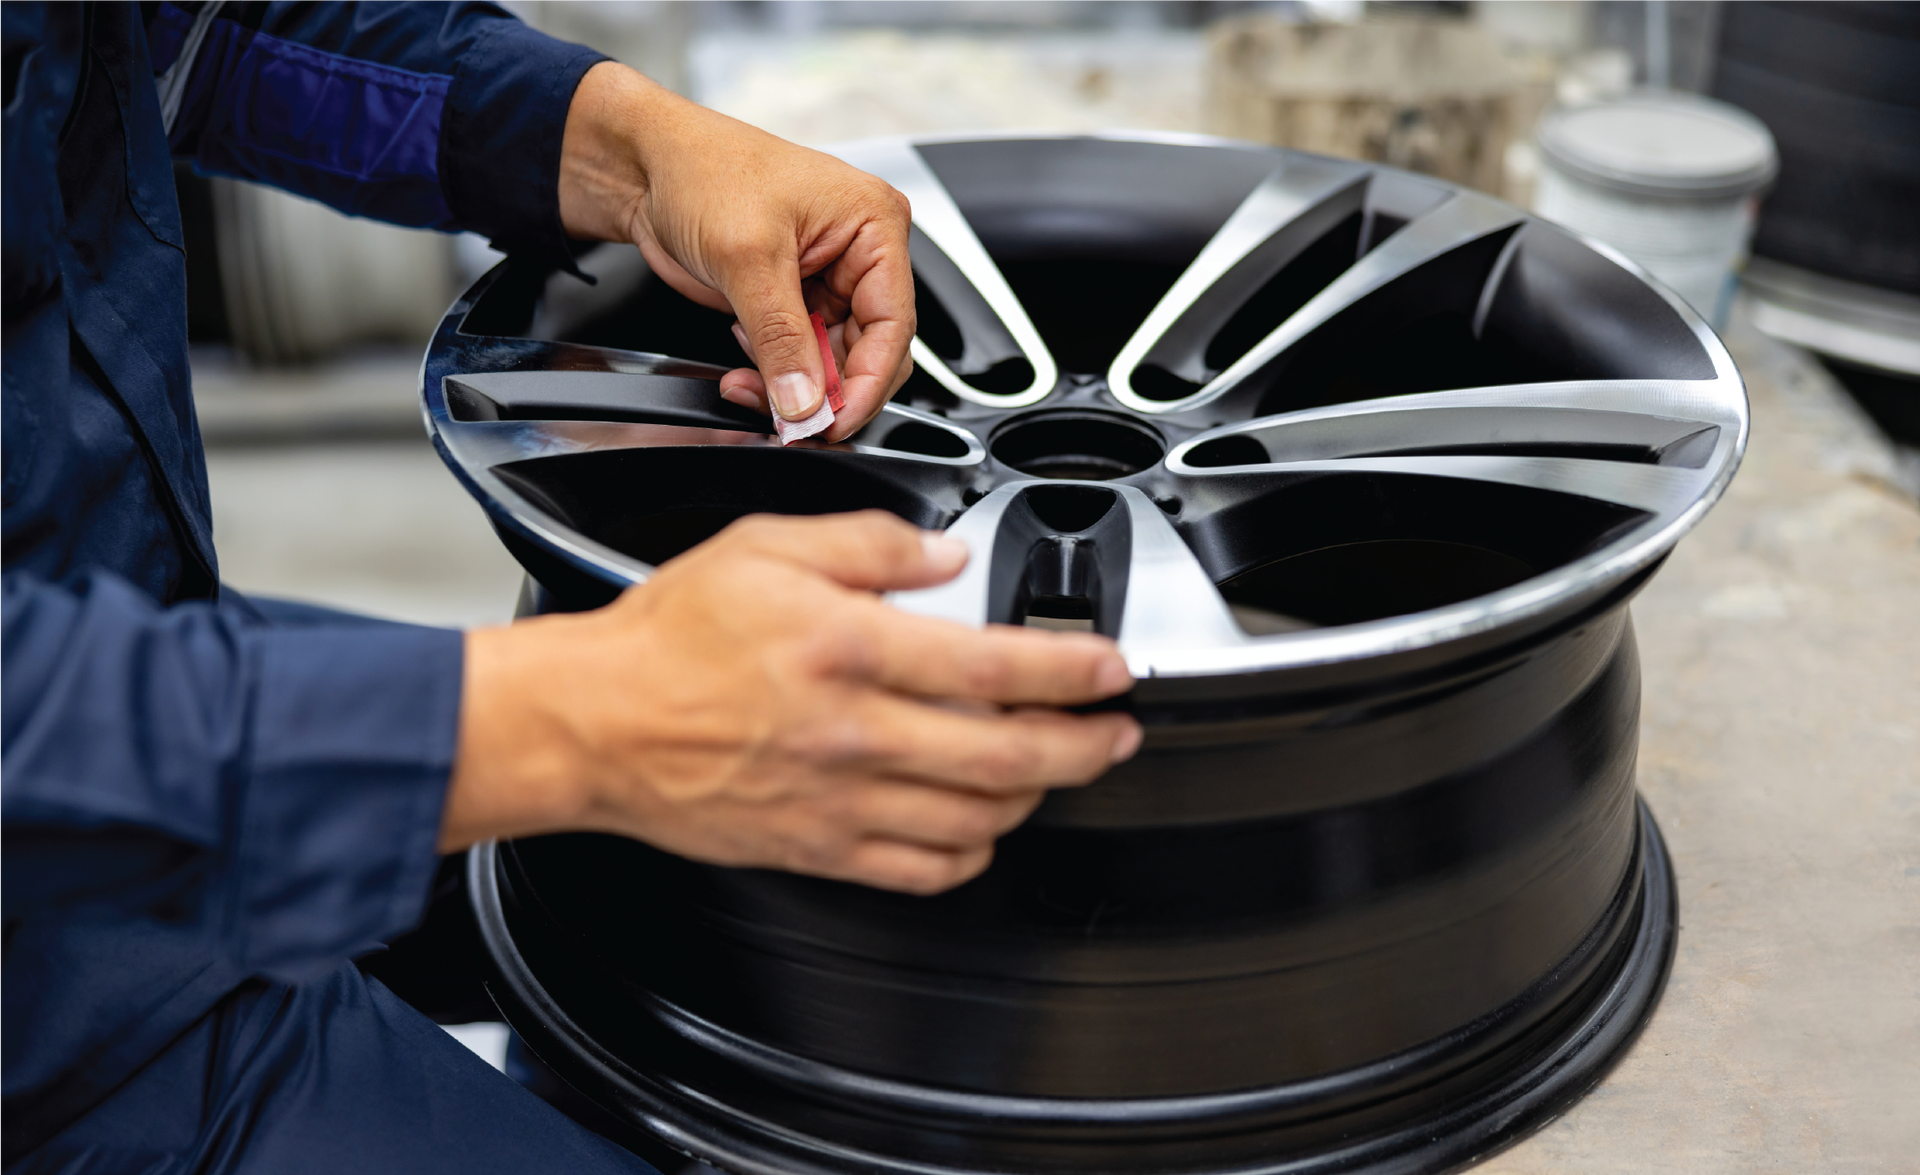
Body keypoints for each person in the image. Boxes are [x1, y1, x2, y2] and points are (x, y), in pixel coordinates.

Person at [0, 2, 1143, 1171]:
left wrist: (622, 146)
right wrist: (560, 716)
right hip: (41, 993)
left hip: (123, 631)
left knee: (701, 889)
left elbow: (164, 39)